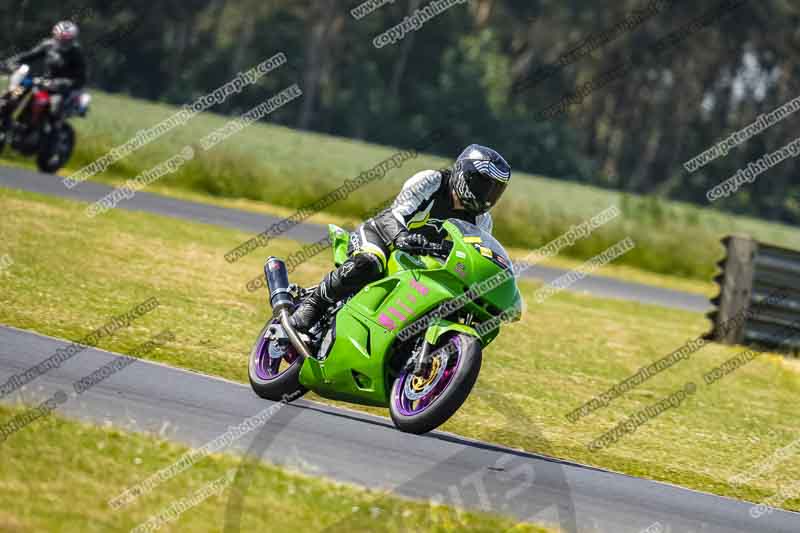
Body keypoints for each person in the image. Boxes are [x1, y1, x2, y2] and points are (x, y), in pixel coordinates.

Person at [290, 144, 512, 332]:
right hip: (381, 236)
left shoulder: (482, 222)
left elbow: (475, 256)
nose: (487, 196)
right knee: (370, 261)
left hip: (420, 264)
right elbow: (395, 213)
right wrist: (401, 236)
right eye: (484, 185)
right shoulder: (432, 181)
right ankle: (314, 303)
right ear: (466, 175)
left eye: (495, 190)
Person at [3, 20, 87, 119]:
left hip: (60, 88)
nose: (63, 42)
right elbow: (29, 55)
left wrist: (60, 83)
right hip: (43, 81)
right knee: (22, 86)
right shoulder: (48, 45)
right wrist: (10, 62)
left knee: (53, 105)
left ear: (72, 39)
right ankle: (5, 110)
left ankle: (47, 127)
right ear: (55, 35)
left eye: (67, 40)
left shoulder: (77, 54)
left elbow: (80, 79)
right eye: (60, 38)